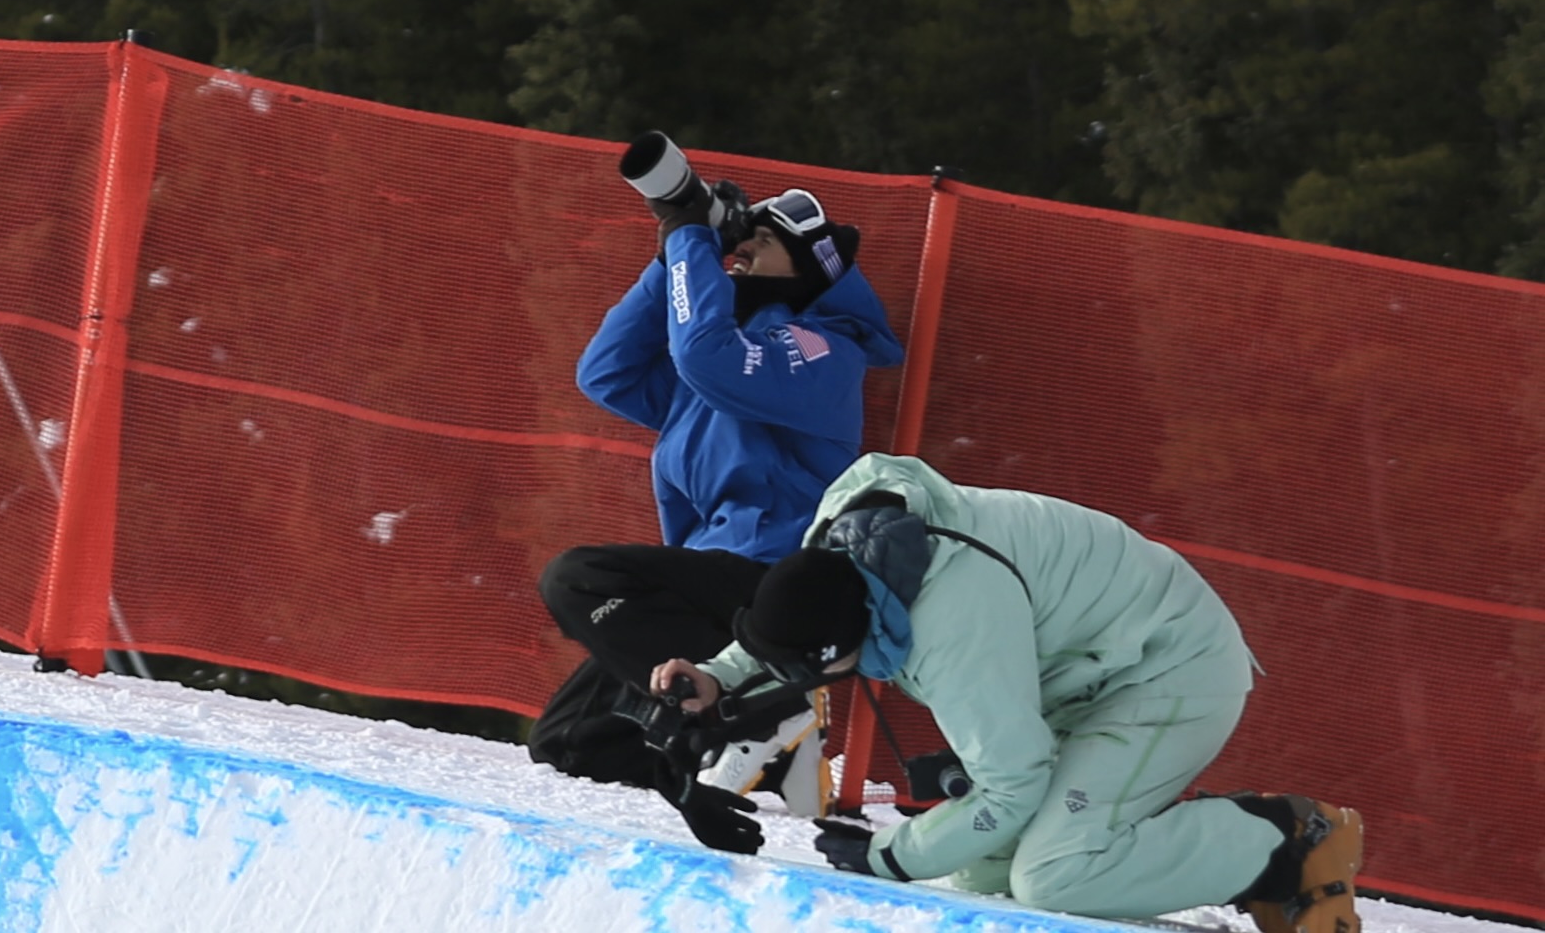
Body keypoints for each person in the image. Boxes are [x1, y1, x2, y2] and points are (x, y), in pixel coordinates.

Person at [658, 455, 1364, 933]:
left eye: (812, 670)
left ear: (845, 642)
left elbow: (1010, 790)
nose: (808, 680)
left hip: (1169, 672)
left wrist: (887, 856)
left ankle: (1286, 841)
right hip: (1098, 669)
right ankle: (1207, 840)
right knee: (982, 867)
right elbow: (798, 621)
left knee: (1055, 876)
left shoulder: (953, 618)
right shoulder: (852, 554)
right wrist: (720, 675)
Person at [530, 134, 901, 849]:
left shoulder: (822, 348)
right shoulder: (724, 358)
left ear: (808, 267)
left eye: (759, 243)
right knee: (570, 743)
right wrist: (674, 249)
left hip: (774, 582)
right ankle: (757, 751)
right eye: (737, 244)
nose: (740, 254)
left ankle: (767, 703)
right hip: (704, 585)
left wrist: (689, 232)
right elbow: (604, 372)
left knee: (577, 577)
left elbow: (704, 356)